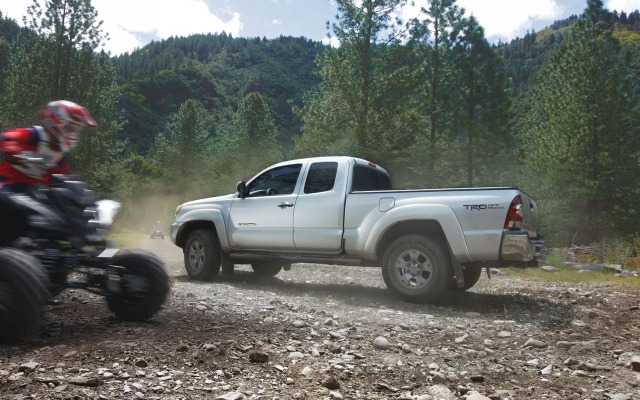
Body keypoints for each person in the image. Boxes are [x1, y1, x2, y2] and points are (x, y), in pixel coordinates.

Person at [0, 100, 96, 193]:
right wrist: (18, 153)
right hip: (8, 181)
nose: (73, 133)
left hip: (33, 190)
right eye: (71, 128)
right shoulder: (34, 135)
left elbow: (57, 174)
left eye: (76, 130)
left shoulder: (60, 150)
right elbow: (4, 138)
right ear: (57, 121)